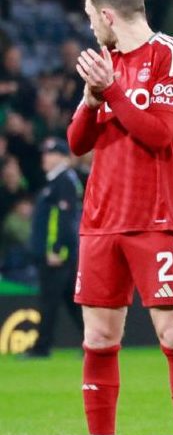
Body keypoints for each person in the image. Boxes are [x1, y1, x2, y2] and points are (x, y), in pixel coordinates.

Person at [61, 0, 173, 435]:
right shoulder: (105, 64)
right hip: (100, 220)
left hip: (154, 217)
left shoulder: (172, 56)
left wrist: (113, 93)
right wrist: (90, 96)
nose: (90, 29)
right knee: (99, 338)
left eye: (89, 18)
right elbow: (78, 143)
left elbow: (161, 134)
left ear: (105, 14)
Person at [25, 137, 83, 358]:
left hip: (56, 256)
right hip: (56, 254)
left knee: (49, 302)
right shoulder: (57, 181)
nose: (45, 158)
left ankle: (42, 347)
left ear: (61, 157)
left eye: (50, 154)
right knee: (70, 301)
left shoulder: (63, 182)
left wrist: (57, 249)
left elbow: (65, 219)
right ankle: (94, 341)